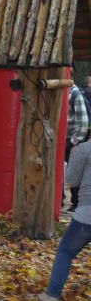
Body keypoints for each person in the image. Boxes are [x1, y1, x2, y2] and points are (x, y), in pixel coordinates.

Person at [38, 138, 91, 301]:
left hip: (86, 213)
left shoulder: (84, 149)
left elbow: (72, 180)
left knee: (65, 252)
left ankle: (52, 294)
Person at [65, 81, 90, 212]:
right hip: (65, 137)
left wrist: (74, 142)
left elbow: (84, 122)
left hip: (73, 139)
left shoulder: (75, 94)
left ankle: (77, 204)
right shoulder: (66, 93)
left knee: (75, 171)